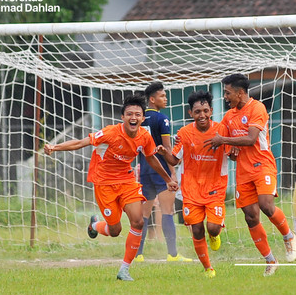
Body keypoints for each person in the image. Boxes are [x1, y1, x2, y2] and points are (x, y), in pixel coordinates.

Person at [44, 95, 178, 281]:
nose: (133, 117)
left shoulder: (144, 136)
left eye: (137, 114)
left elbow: (151, 158)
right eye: (129, 114)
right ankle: (95, 225)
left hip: (127, 181)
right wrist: (54, 147)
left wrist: (167, 179)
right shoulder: (110, 133)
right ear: (122, 117)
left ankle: (124, 269)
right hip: (104, 183)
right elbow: (81, 142)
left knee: (138, 221)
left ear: (142, 118)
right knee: (114, 230)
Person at [205, 73, 296, 276]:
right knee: (250, 217)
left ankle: (288, 236)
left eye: (228, 93)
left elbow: (251, 138)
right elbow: (228, 147)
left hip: (262, 165)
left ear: (240, 93)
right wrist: (231, 151)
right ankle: (271, 260)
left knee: (266, 205)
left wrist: (225, 141)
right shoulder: (229, 117)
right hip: (243, 172)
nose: (226, 97)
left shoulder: (257, 108)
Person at [156, 90, 234, 278]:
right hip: (191, 190)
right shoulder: (184, 133)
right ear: (191, 113)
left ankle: (215, 235)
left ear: (211, 111)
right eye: (197, 111)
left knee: (212, 228)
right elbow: (175, 160)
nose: (202, 115)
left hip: (215, 187)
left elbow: (232, 154)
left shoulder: (221, 131)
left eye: (205, 111)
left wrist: (235, 150)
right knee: (197, 229)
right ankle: (208, 268)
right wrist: (163, 152)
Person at [135, 82, 191, 262]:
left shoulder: (140, 119)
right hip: (161, 171)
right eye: (162, 96)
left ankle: (138, 255)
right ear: (152, 99)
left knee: (143, 214)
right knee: (167, 211)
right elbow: (167, 149)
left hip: (144, 170)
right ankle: (173, 255)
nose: (165, 99)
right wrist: (172, 172)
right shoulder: (162, 119)